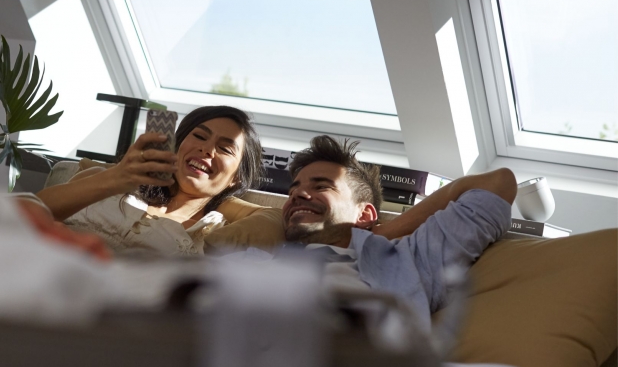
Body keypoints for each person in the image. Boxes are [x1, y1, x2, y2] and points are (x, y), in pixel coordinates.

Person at [279, 135, 517, 326]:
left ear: (364, 215)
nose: (298, 195)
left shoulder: (403, 262)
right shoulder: (263, 259)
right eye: (292, 191)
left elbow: (497, 183)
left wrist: (373, 234)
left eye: (321, 186)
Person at [35, 106, 275, 257]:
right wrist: (116, 177)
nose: (207, 149)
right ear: (177, 145)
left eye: (225, 148)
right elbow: (29, 211)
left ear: (236, 178)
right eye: (199, 136)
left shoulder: (213, 234)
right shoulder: (101, 179)